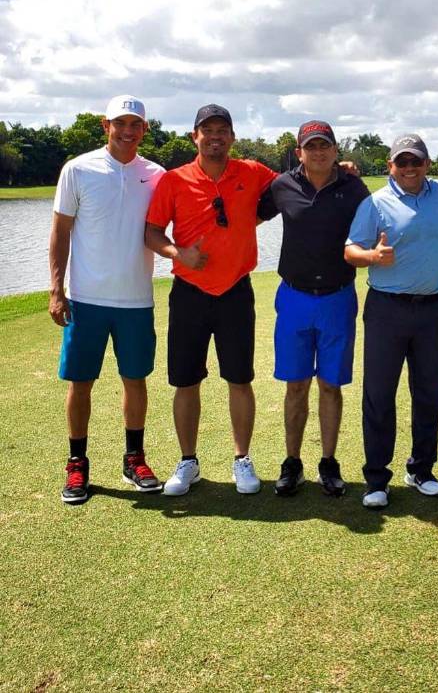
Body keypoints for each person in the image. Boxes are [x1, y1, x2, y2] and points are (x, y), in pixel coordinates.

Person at [145, 104, 277, 496]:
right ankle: (188, 461)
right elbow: (152, 232)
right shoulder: (173, 180)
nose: (215, 136)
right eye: (208, 130)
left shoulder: (252, 172)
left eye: (223, 130)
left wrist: (346, 171)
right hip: (189, 292)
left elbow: (297, 184)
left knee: (240, 378)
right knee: (186, 381)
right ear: (194, 136)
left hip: (236, 290)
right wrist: (176, 253)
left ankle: (242, 459)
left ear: (232, 137)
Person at [49, 95, 165, 504]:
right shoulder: (78, 169)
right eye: (121, 123)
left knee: (135, 381)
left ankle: (134, 458)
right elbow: (61, 232)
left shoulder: (156, 174)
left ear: (145, 129)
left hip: (136, 299)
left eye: (135, 124)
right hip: (86, 298)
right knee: (81, 383)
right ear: (106, 125)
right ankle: (77, 464)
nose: (128, 130)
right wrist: (56, 289)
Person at [345, 134, 438, 509]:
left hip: (430, 309)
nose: (409, 168)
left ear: (427, 163)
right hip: (386, 309)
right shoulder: (375, 203)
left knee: (428, 392)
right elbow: (350, 251)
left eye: (416, 161)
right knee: (379, 394)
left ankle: (421, 470)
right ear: (390, 165)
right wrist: (372, 257)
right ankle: (377, 478)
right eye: (402, 162)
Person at [257, 120, 370, 497]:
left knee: (331, 385)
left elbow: (376, 223)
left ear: (336, 150)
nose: (318, 152)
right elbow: (251, 216)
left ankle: (329, 461)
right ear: (299, 151)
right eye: (311, 146)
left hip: (338, 298)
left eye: (325, 145)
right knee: (296, 385)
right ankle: (292, 462)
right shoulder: (283, 185)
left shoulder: (353, 187)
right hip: (294, 297)